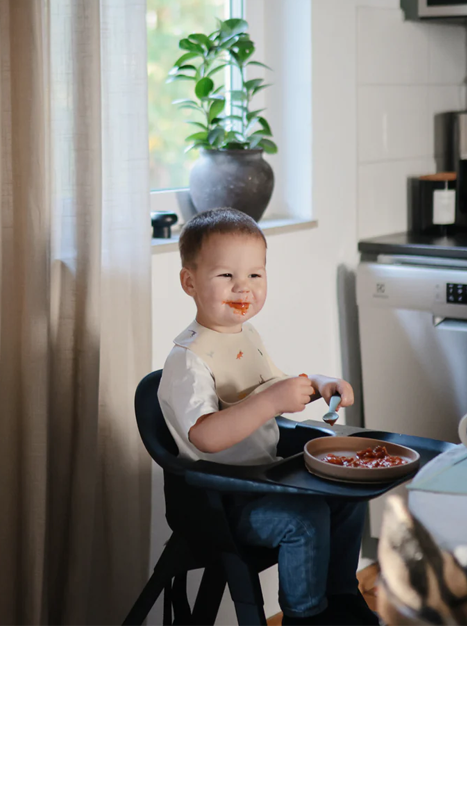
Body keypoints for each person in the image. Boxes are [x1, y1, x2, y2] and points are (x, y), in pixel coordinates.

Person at [158, 207, 379, 627]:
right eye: (226, 276)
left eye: (255, 276)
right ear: (190, 282)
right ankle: (306, 618)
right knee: (307, 518)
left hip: (262, 479)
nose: (243, 287)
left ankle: (341, 598)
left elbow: (275, 387)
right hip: (221, 500)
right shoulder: (187, 361)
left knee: (345, 496)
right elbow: (205, 436)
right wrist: (269, 403)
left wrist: (319, 383)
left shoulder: (245, 336)